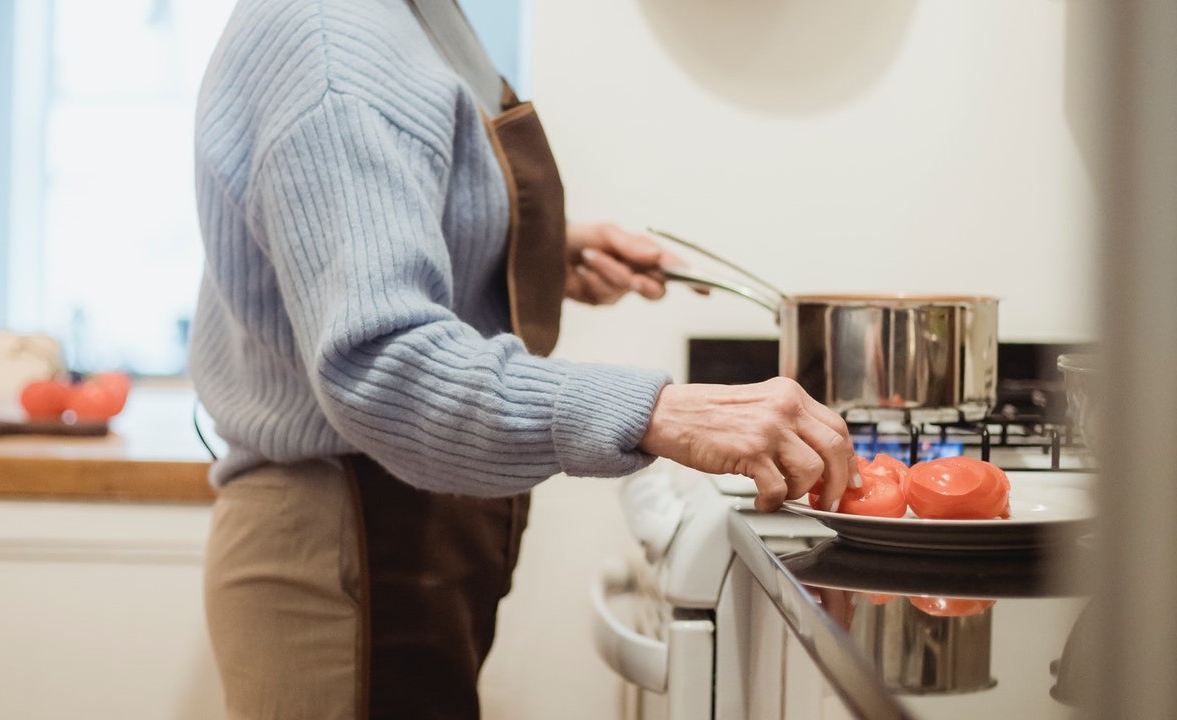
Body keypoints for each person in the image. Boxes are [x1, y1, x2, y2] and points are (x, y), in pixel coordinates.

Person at [188, 0, 859, 718]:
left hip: (403, 534)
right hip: (346, 546)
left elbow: (371, 220)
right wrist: (661, 409)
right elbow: (383, 363)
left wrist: (532, 247)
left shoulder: (415, 16)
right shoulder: (331, 36)